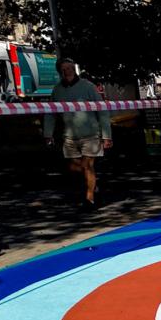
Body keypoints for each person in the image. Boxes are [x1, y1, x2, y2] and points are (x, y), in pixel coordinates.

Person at [42, 57, 112, 209]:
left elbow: (102, 110)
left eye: (70, 68)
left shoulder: (88, 86)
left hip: (91, 134)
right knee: (75, 168)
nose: (68, 71)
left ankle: (90, 198)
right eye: (64, 69)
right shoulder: (57, 90)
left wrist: (106, 135)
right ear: (60, 72)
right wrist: (48, 134)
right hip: (70, 136)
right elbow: (50, 113)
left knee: (88, 166)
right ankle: (94, 186)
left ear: (74, 69)